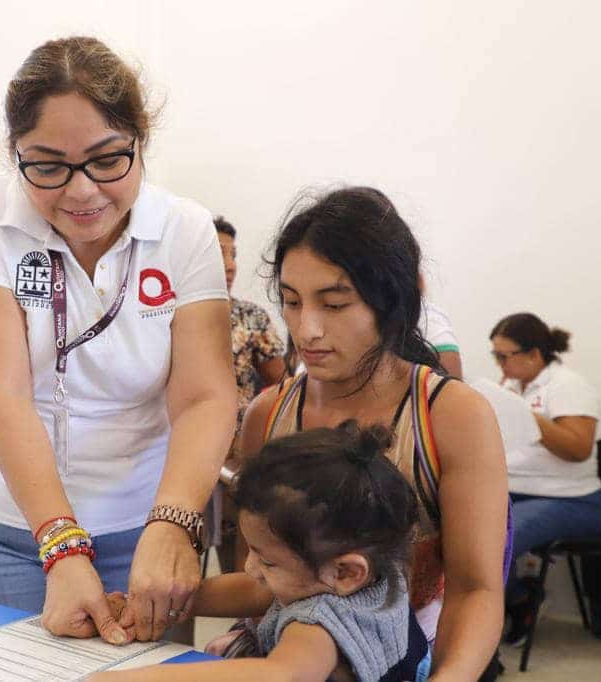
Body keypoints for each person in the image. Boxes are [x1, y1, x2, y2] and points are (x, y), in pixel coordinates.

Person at [0, 36, 237, 645]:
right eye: (47, 166)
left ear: (140, 141)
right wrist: (60, 543)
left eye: (107, 160)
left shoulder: (185, 230)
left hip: (143, 525)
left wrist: (173, 523)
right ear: (15, 154)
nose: (81, 192)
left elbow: (205, 397)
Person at [237, 187, 508, 679]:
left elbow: (476, 589)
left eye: (335, 304)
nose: (307, 329)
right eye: (292, 302)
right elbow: (260, 577)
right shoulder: (267, 414)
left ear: (392, 304)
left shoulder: (451, 416)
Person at [92, 422, 431, 682]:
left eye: (267, 560)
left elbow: (280, 675)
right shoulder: (367, 566)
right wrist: (162, 603)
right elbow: (256, 590)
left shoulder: (320, 623)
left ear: (347, 572)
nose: (251, 567)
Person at [489, 313, 601, 646]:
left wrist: (526, 416)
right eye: (495, 356)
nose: (499, 364)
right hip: (518, 492)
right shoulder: (512, 385)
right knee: (455, 524)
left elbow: (577, 448)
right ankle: (518, 598)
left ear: (534, 355)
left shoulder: (568, 385)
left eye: (504, 356)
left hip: (572, 500)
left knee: (496, 538)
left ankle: (479, 632)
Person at [214, 216, 285, 431]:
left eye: (233, 255)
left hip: (236, 441)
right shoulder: (166, 315)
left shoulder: (251, 316)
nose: (230, 266)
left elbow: (282, 386)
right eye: (219, 254)